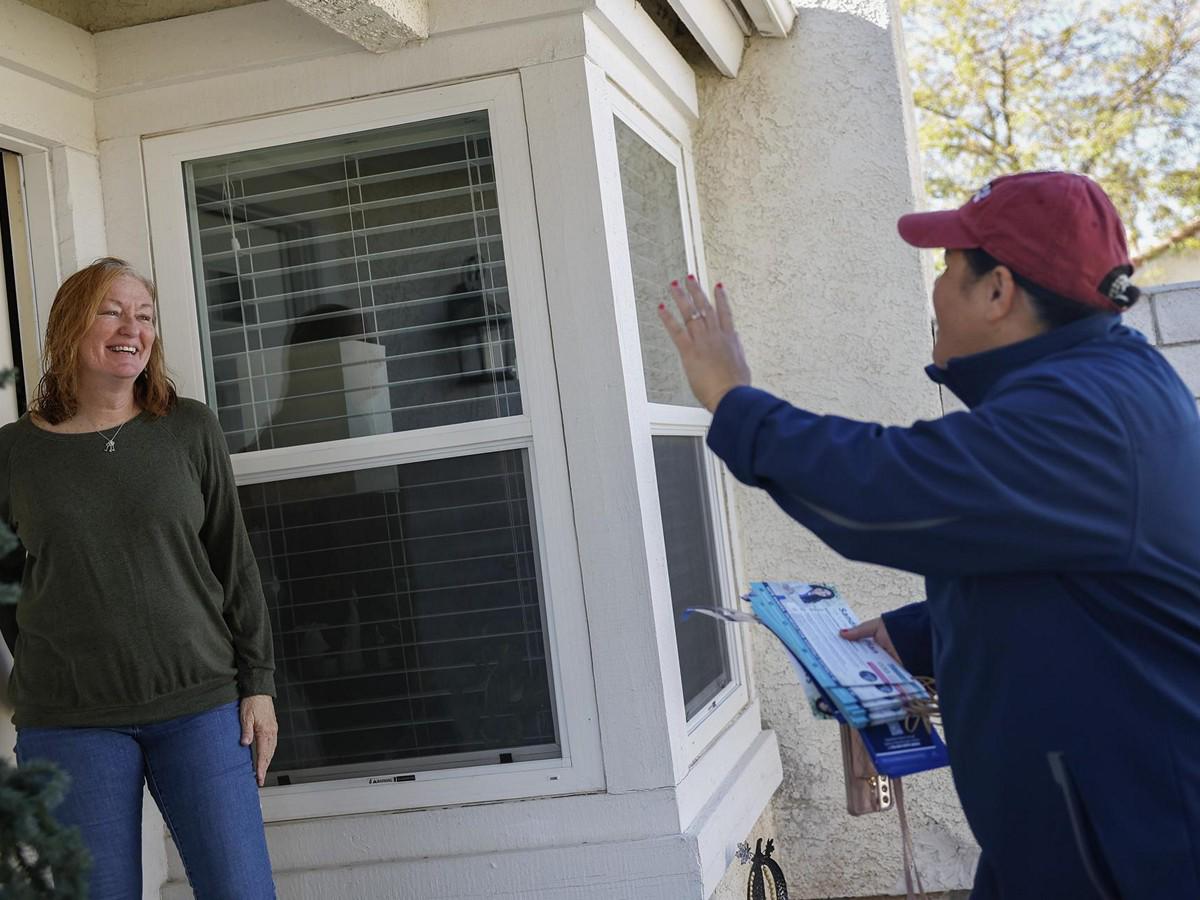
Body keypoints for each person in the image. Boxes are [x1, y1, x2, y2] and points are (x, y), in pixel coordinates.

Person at [658, 172, 1200, 898]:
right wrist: (920, 635)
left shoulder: (1084, 415)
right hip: (1072, 836)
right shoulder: (1102, 386)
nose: (935, 290)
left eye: (947, 267)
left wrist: (734, 401)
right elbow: (1057, 569)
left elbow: (888, 486)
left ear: (999, 290)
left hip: (1132, 857)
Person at [0, 258, 279, 898]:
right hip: (71, 724)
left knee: (240, 889)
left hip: (202, 707)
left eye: (145, 315)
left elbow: (233, 560)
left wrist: (257, 683)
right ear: (71, 326)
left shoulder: (188, 428)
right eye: (112, 310)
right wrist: (60, 661)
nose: (134, 327)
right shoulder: (13, 454)